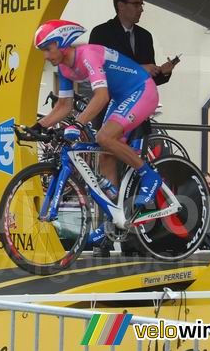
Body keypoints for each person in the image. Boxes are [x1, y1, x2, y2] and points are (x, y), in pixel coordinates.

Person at [32, 20, 161, 214]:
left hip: (141, 90)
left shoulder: (87, 55)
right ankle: (116, 218)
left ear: (62, 43)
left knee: (104, 137)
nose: (45, 56)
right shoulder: (64, 69)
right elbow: (64, 105)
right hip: (122, 97)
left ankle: (149, 176)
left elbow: (102, 96)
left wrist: (78, 124)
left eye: (48, 49)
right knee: (105, 155)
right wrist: (38, 126)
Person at [89, 0, 176, 85]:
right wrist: (138, 69)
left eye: (141, 5)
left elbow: (150, 78)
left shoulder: (145, 36)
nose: (141, 9)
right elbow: (96, 71)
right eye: (136, 5)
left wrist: (163, 72)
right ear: (121, 5)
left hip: (142, 99)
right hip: (114, 99)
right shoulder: (101, 33)